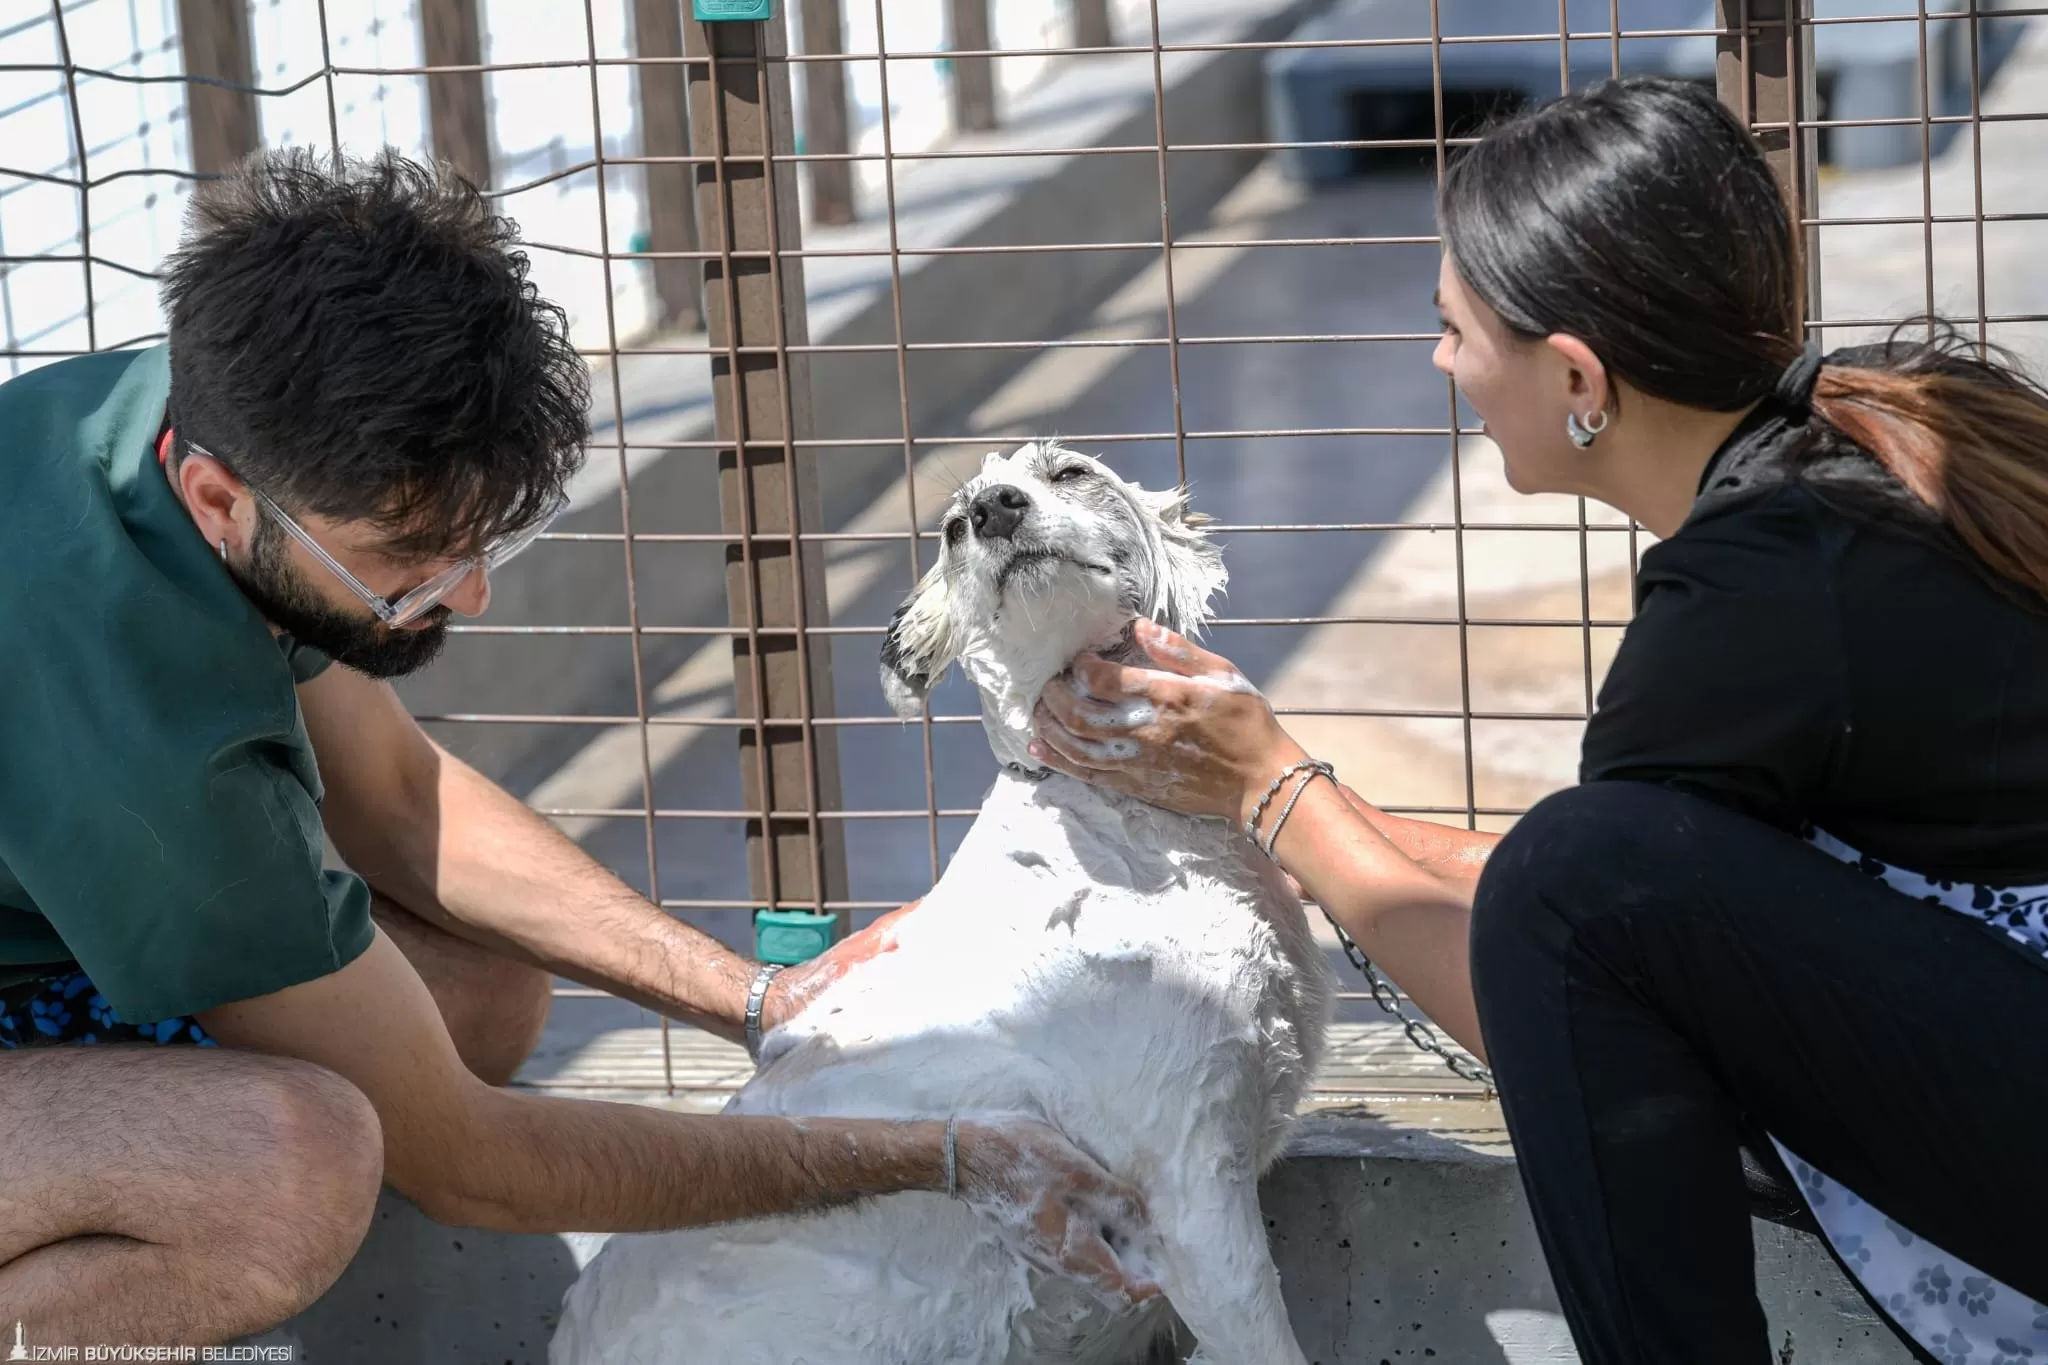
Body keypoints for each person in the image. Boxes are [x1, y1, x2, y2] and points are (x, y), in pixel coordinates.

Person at [0, 148, 1151, 1346]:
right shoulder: (127, 706)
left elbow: (396, 797)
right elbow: (472, 1166)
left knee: (479, 993)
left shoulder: (222, 412)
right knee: (287, 1170)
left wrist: (760, 1000)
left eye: (481, 539)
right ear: (217, 502)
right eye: (410, 557)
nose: (472, 595)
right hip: (95, 811)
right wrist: (932, 1160)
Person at [1029, 77, 2048, 1365]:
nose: (1440, 361)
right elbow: (1691, 898)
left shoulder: (1756, 586)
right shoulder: (1868, 444)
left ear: (1574, 374)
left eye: (1453, 328)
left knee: (1578, 876)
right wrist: (1293, 790)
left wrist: (1268, 790)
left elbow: (1554, 979)